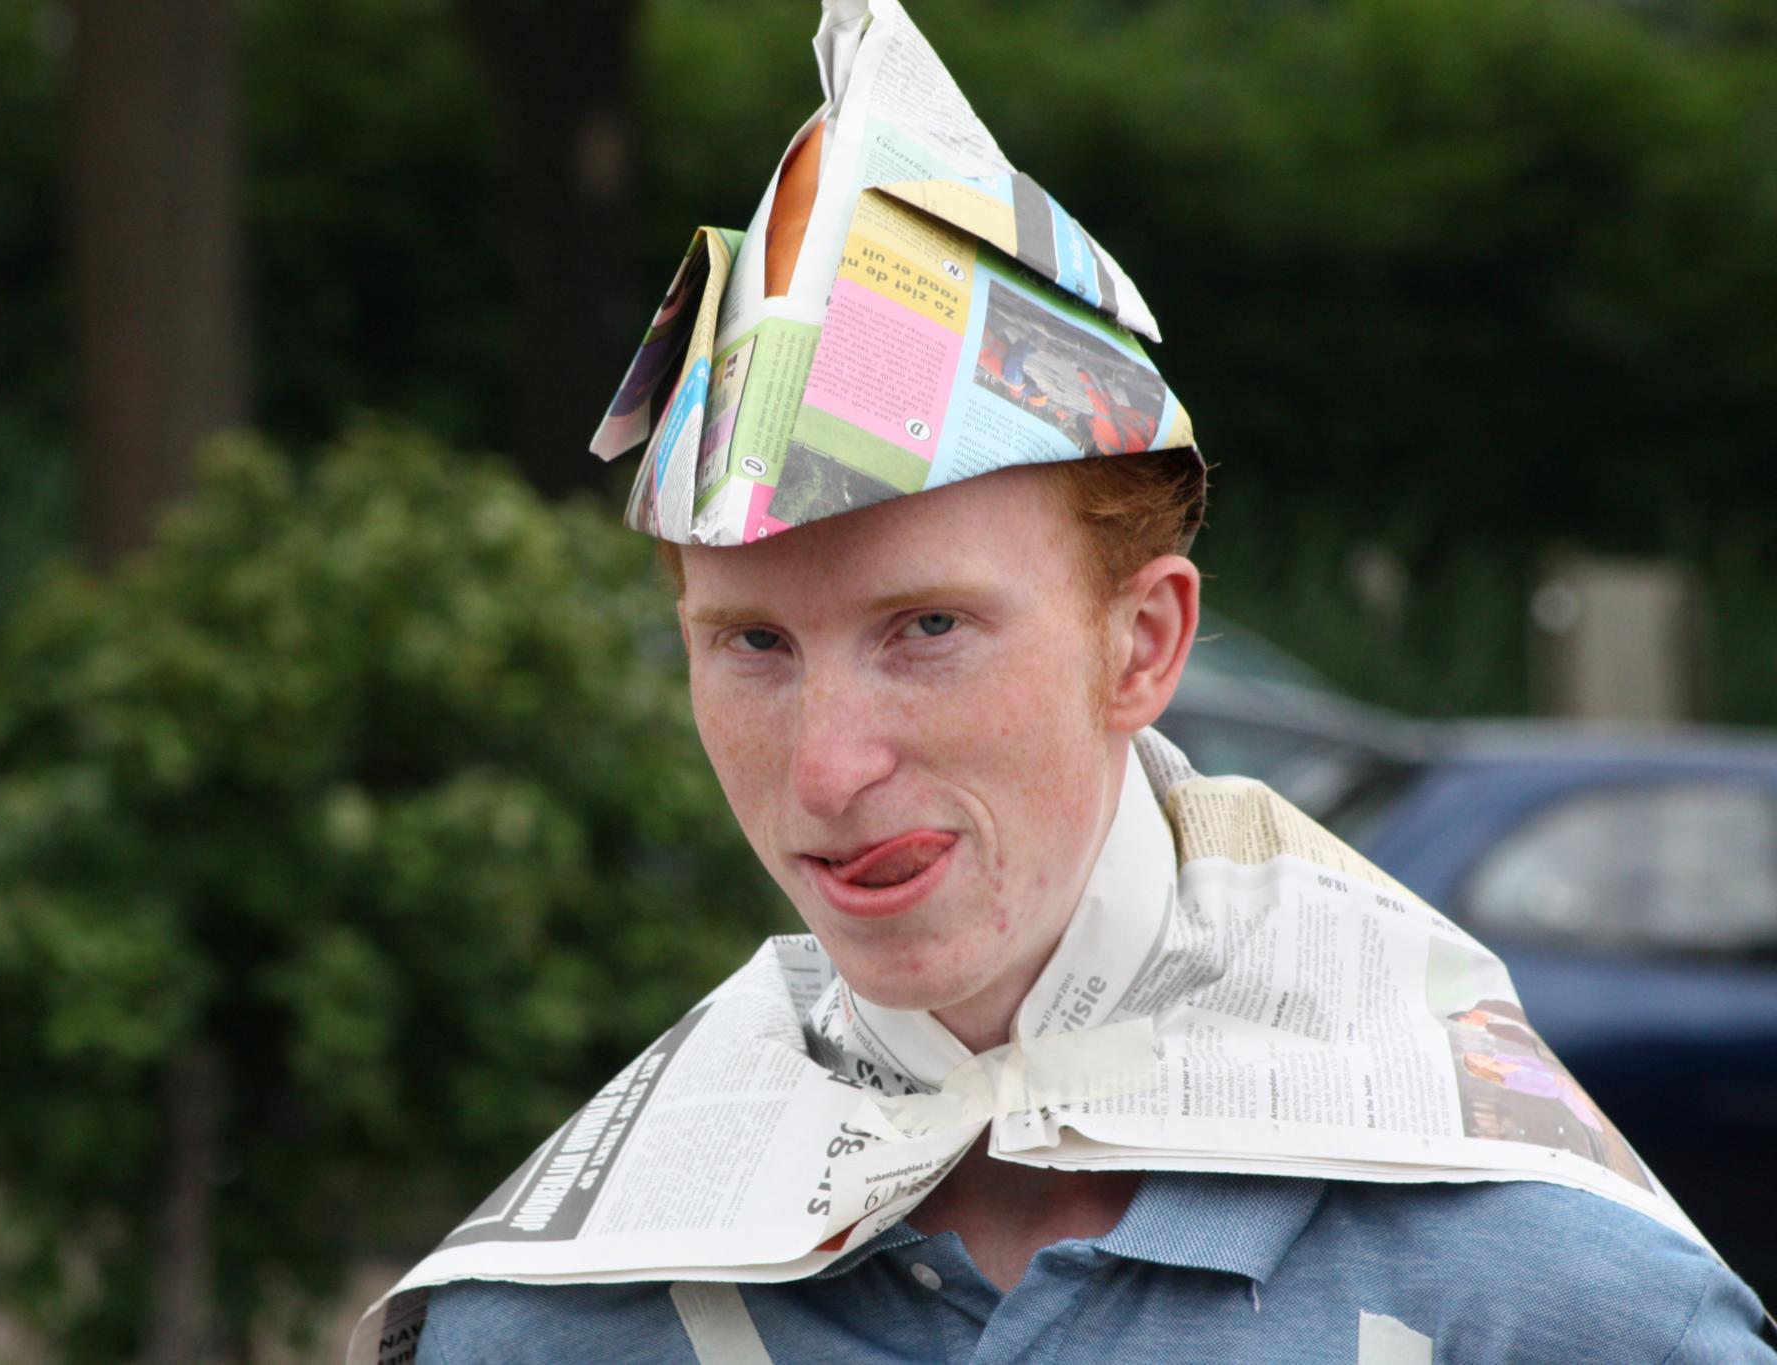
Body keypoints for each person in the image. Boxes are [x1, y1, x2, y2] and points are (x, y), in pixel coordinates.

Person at [388, 2, 1775, 1358]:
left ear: (1145, 644)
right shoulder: (539, 1326)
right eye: (753, 641)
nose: (825, 772)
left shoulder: (1553, 1302)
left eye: (926, 626)